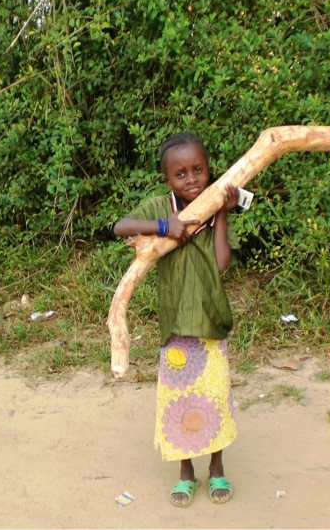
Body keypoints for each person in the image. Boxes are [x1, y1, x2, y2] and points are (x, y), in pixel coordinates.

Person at [113, 132, 239, 507]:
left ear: (209, 169)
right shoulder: (159, 206)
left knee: (215, 398)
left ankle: (216, 468)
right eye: (180, 173)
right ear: (167, 180)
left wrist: (222, 214)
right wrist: (164, 227)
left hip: (210, 321)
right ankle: (185, 473)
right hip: (175, 328)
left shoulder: (214, 203)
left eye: (198, 169)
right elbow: (121, 226)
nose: (191, 179)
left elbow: (220, 264)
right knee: (179, 402)